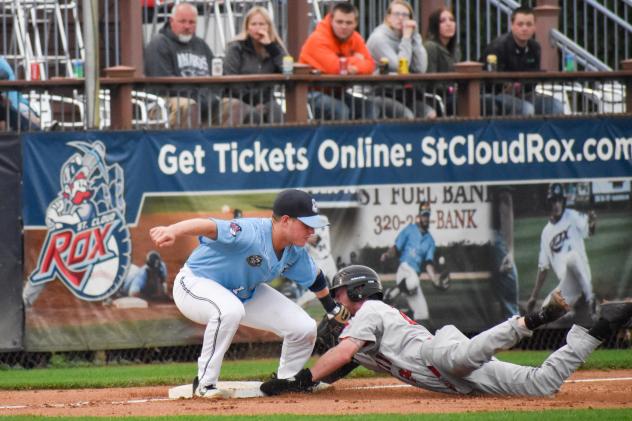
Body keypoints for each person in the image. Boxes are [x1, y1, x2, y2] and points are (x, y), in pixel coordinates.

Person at [260, 265, 632, 398]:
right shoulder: (360, 334)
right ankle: (600, 327)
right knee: (542, 385)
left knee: (459, 357)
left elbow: (339, 355)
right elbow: (338, 365)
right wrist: (296, 382)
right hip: (456, 382)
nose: (337, 300)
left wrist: (301, 378)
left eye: (340, 292)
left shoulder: (371, 310)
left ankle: (532, 320)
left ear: (357, 291)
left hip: (437, 353)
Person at [149, 189, 348, 398]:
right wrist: (172, 230)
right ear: (286, 220)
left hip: (242, 292)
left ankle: (288, 381)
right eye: (306, 225)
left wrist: (331, 308)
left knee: (303, 327)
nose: (312, 232)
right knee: (229, 310)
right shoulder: (250, 232)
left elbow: (315, 279)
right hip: (194, 283)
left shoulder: (294, 250)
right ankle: (204, 384)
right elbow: (208, 226)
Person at [299, 2, 412, 120]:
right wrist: (356, 60)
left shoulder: (355, 38)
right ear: (331, 20)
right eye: (339, 22)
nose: (344, 26)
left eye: (348, 23)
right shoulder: (318, 39)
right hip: (310, 93)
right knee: (341, 110)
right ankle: (340, 139)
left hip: (337, 92)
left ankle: (365, 139)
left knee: (370, 108)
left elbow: (370, 66)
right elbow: (336, 68)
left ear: (355, 24)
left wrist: (351, 66)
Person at [144, 2, 242, 127]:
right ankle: (188, 144)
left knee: (234, 105)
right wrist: (200, 98)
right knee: (189, 105)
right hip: (164, 101)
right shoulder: (159, 43)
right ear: (171, 21)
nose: (187, 26)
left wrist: (212, 96)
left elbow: (216, 76)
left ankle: (223, 143)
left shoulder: (201, 44)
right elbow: (164, 84)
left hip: (202, 100)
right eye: (182, 21)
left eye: (192, 22)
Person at [527, 183, 597, 322]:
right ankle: (574, 305)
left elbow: (589, 232)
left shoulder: (572, 215)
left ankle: (590, 299)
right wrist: (534, 297)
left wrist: (593, 222)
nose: (557, 204)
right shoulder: (546, 232)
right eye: (554, 200)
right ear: (549, 203)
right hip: (568, 284)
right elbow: (543, 268)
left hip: (582, 274)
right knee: (545, 310)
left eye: (559, 200)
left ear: (563, 201)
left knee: (571, 258)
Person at [479, 6, 564, 116]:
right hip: (497, 95)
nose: (524, 28)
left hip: (525, 94)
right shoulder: (498, 47)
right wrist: (507, 85)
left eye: (529, 24)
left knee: (555, 106)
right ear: (512, 25)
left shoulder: (535, 47)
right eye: (520, 24)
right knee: (526, 109)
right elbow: (490, 80)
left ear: (535, 27)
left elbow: (534, 78)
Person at [380, 201, 448, 326]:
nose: (425, 218)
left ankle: (399, 308)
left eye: (427, 215)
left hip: (413, 279)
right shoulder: (410, 229)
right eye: (423, 215)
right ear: (419, 216)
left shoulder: (430, 241)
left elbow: (428, 263)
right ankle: (392, 293)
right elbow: (396, 247)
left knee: (423, 315)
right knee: (414, 281)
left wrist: (435, 279)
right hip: (404, 270)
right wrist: (387, 254)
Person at [366, 0, 435, 118]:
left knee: (430, 114)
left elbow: (421, 68)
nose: (401, 18)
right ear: (388, 17)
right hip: (379, 93)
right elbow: (400, 67)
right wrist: (407, 38)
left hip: (405, 93)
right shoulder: (378, 38)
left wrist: (415, 36)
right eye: (396, 14)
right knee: (407, 116)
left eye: (405, 15)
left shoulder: (406, 35)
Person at [223, 6, 285, 123]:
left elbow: (288, 69)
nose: (258, 28)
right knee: (253, 114)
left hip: (266, 99)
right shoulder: (236, 47)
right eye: (254, 24)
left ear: (268, 27)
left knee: (276, 111)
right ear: (247, 27)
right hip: (239, 99)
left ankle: (275, 141)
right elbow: (230, 79)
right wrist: (255, 101)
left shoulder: (274, 48)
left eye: (262, 24)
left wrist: (270, 46)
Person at [423, 7, 461, 115]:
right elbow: (430, 82)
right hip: (438, 98)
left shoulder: (456, 49)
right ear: (435, 26)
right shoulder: (430, 47)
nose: (449, 24)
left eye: (452, 20)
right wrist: (451, 89)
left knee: (483, 99)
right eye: (442, 21)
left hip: (454, 95)